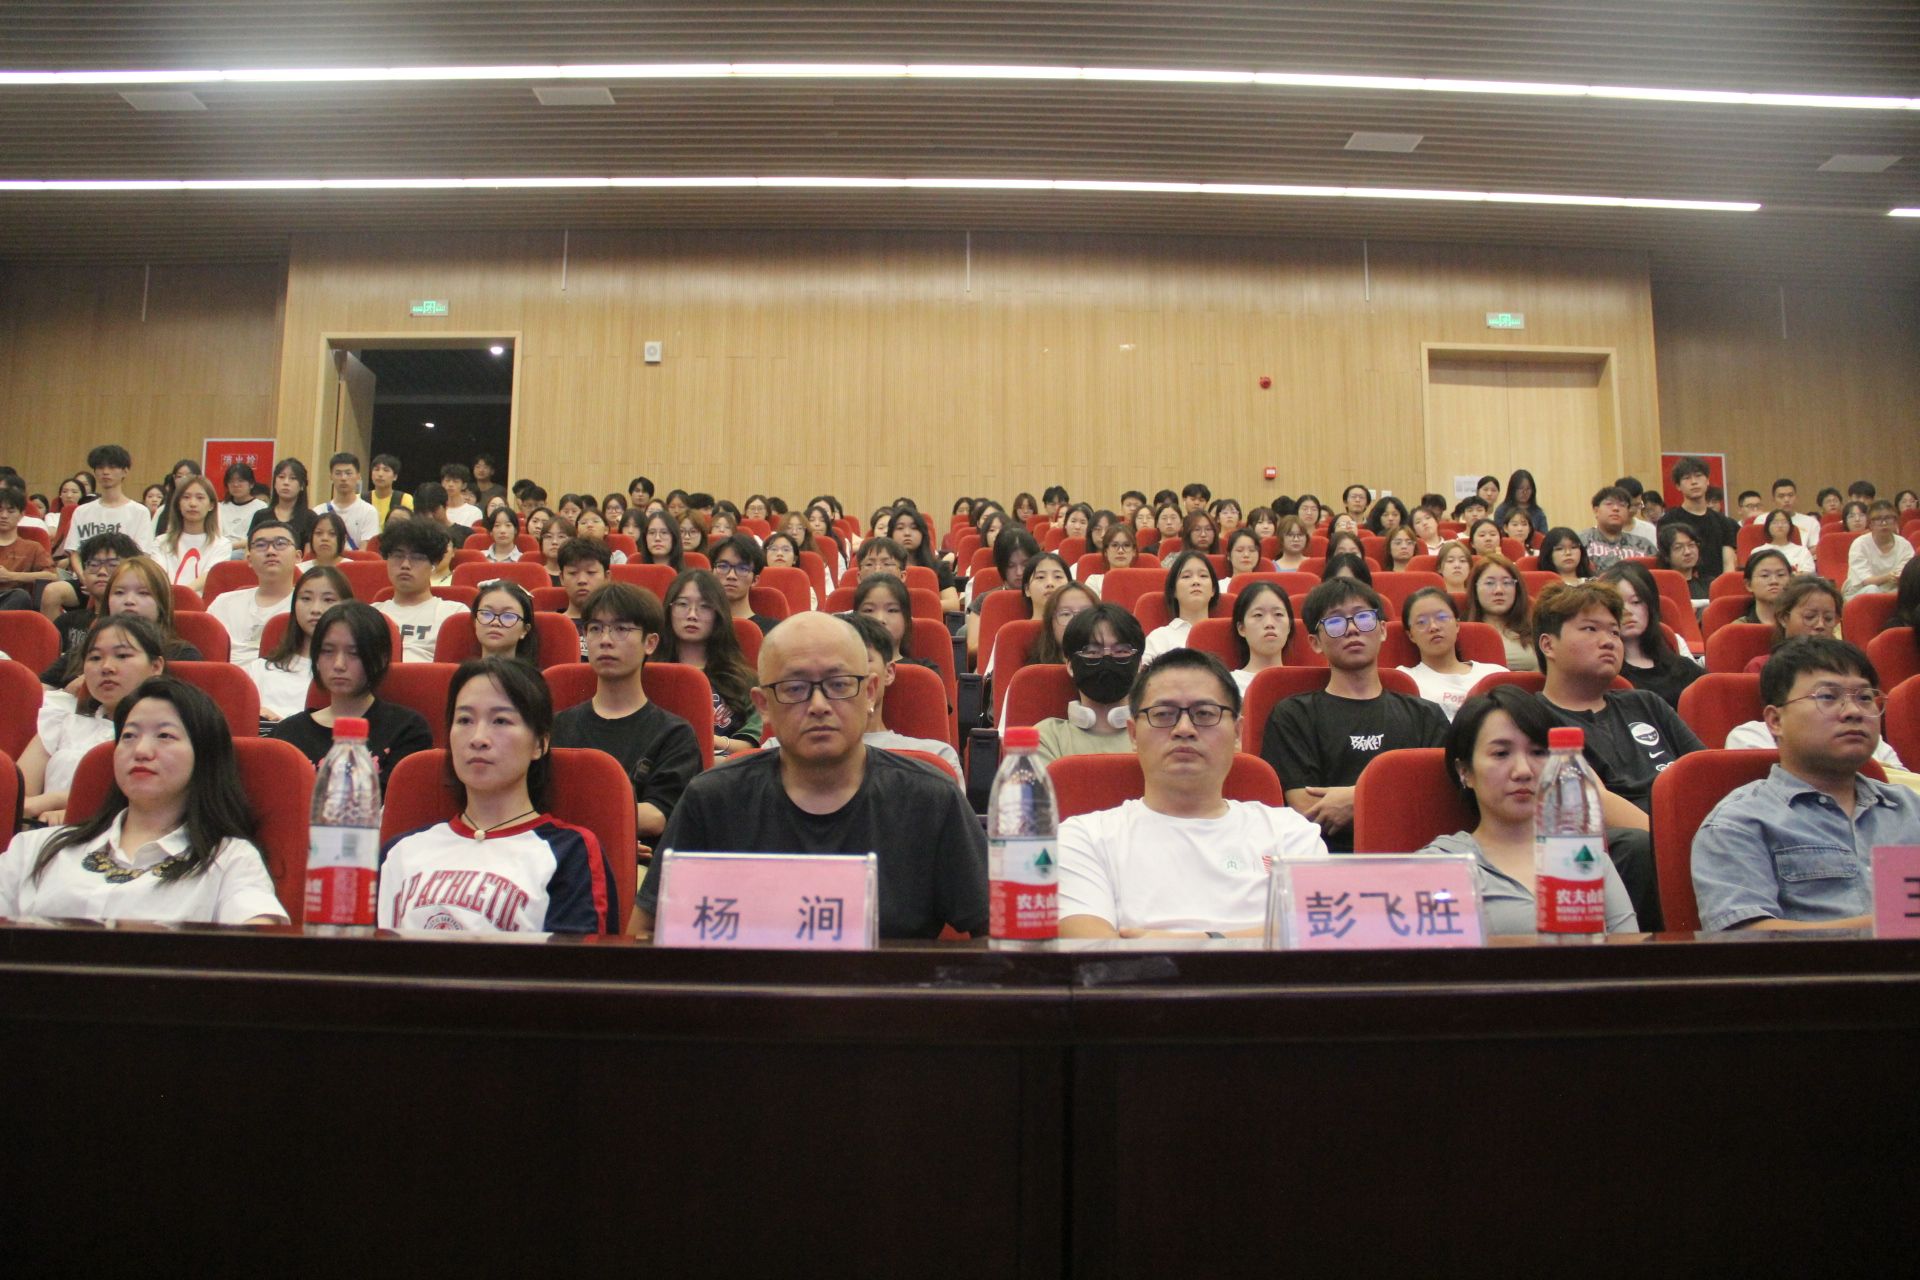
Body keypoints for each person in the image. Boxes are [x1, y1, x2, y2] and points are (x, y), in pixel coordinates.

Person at [636, 612, 988, 939]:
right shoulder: (713, 800)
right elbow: (646, 934)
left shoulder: (931, 800)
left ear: (869, 692)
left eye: (839, 684)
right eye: (794, 688)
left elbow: (999, 940)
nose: (819, 705)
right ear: (763, 705)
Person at [1058, 648, 1327, 938]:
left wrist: (1199, 941)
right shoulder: (1085, 838)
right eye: (1163, 714)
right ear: (1133, 734)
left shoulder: (1290, 833)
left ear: (1237, 733)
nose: (1184, 729)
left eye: (1205, 714)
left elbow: (1321, 935)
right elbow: (1095, 954)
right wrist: (1261, 936)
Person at [0, 676, 288, 924]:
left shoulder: (230, 860)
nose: (140, 750)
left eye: (164, 735)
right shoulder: (35, 849)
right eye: (128, 736)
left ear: (204, 755)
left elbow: (256, 950)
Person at [1691, 637, 1920, 931]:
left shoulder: (1909, 809)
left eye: (1864, 697)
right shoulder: (1742, 822)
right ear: (1775, 721)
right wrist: (1892, 926)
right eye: (1828, 697)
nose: (1853, 711)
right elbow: (1744, 939)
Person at [378, 657, 617, 934]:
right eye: (465, 720)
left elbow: (578, 960)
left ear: (540, 744)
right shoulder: (400, 852)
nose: (478, 738)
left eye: (500, 720)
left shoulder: (569, 852)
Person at [1530, 581, 1688, 927]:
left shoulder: (1645, 703)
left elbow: (1699, 774)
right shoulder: (1532, 718)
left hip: (1680, 829)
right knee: (1635, 846)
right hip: (1618, 842)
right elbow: (1590, 799)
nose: (1609, 641)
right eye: (1591, 629)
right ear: (1548, 645)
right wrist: (1679, 844)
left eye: (1614, 632)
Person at [1419, 686, 1639, 934]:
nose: (1523, 771)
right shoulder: (1440, 864)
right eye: (1501, 753)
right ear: (1465, 772)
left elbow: (1628, 948)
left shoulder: (1585, 854)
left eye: (1538, 752)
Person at [1262, 579, 1448, 852]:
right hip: (1327, 861)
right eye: (1335, 622)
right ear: (1315, 642)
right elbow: (1309, 810)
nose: (1352, 629)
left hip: (1416, 859)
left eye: (1363, 617)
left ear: (1382, 629)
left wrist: (1355, 798)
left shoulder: (1426, 715)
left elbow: (1438, 803)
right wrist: (1395, 799)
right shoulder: (1293, 715)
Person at [550, 582, 700, 852]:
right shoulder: (557, 725)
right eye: (595, 629)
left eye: (621, 629)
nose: (605, 640)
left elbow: (656, 817)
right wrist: (610, 827)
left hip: (636, 861)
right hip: (558, 854)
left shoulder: (674, 733)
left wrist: (575, 822)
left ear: (650, 643)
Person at [19, 615, 169, 826]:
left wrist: (63, 804)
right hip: (44, 832)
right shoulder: (61, 721)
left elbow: (153, 800)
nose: (106, 667)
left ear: (156, 667)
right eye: (95, 658)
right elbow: (18, 795)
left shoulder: (168, 734)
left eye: (122, 655)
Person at [268, 601, 431, 794]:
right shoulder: (287, 733)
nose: (339, 664)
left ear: (380, 658)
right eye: (327, 651)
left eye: (354, 653)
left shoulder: (406, 729)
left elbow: (392, 804)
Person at [43, 444, 156, 619]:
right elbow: (74, 552)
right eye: (100, 467)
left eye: (112, 467)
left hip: (122, 583)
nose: (105, 472)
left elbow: (142, 556)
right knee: (51, 593)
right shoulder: (82, 511)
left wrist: (113, 579)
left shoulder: (139, 512)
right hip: (86, 582)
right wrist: (85, 578)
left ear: (125, 471)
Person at [660, 568, 763, 757]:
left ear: (718, 614)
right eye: (682, 604)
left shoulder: (743, 680)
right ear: (669, 610)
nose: (692, 614)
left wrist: (709, 741)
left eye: (705, 606)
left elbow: (754, 744)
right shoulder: (650, 675)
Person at [1034, 604, 1145, 765]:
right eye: (1092, 652)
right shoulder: (1047, 737)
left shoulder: (1158, 733)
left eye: (1121, 651)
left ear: (1139, 664)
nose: (1107, 660)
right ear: (1070, 665)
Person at [244, 565, 348, 722]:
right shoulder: (260, 669)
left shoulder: (349, 673)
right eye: (306, 599)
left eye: (328, 600)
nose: (315, 609)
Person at [1597, 563, 1703, 710]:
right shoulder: (1600, 675)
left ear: (1651, 604)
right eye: (1618, 604)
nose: (1627, 611)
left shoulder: (1684, 670)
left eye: (1636, 602)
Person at [1398, 586, 1506, 721]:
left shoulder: (1494, 674)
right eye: (1421, 622)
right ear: (1410, 635)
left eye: (1442, 617)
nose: (1433, 627)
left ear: (1457, 625)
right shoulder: (1405, 679)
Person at [207, 520, 299, 665]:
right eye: (261, 545)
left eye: (280, 544)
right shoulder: (223, 603)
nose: (271, 551)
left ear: (297, 557)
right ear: (249, 559)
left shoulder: (308, 607)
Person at [374, 519, 464, 663]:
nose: (405, 565)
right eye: (398, 556)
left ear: (434, 563)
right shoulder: (371, 614)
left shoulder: (454, 613)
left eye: (417, 557)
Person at [1141, 550, 1218, 662]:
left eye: (1203, 575)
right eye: (1186, 576)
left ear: (1213, 590)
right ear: (1173, 590)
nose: (1196, 581)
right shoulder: (1159, 638)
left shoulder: (1224, 636)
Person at [1463, 554, 1533, 672]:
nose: (1499, 590)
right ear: (1475, 588)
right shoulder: (1460, 633)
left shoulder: (1535, 628)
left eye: (1506, 583)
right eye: (1490, 583)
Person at [889, 507, 961, 610]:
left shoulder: (939, 567)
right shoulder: (884, 568)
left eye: (914, 528)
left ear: (922, 534)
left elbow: (953, 604)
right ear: (890, 534)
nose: (907, 533)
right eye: (900, 528)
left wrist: (917, 606)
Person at [0, 485, 57, 612]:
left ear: (21, 515)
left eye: (10, 511)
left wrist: (11, 576)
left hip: (11, 599)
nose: (4, 516)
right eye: (0, 510)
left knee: (20, 596)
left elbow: (52, 575)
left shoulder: (32, 547)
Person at [1230, 581, 1292, 695]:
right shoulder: (1227, 685)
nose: (1269, 624)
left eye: (1278, 614)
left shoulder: (1303, 683)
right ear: (1241, 628)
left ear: (1289, 627)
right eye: (1258, 615)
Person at [1844, 500, 1913, 599]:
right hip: (1860, 592)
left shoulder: (1904, 545)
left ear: (1895, 522)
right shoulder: (1860, 544)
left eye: (1888, 518)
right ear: (1870, 523)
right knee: (1872, 589)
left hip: (1892, 591)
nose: (1884, 523)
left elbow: (1905, 576)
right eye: (1878, 519)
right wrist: (1888, 577)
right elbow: (1866, 581)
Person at [311, 452, 379, 550]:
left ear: (358, 476)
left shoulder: (368, 511)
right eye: (338, 473)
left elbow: (365, 552)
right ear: (331, 477)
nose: (343, 478)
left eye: (348, 473)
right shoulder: (318, 512)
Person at [555, 537, 610, 657]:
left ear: (607, 577)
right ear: (562, 578)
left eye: (591, 573)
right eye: (573, 573)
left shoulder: (622, 626)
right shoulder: (551, 625)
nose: (582, 580)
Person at [1582, 486, 1655, 571]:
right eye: (1609, 504)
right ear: (1596, 510)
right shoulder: (1581, 541)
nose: (1616, 508)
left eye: (1622, 505)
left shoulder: (1644, 545)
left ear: (1628, 512)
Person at [251, 458, 316, 552]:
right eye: (281, 477)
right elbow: (250, 550)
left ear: (302, 485)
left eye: (293, 478)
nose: (286, 482)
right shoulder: (260, 516)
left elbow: (308, 556)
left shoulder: (310, 518)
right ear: (274, 483)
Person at [467, 579, 539, 664]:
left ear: (525, 629)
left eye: (508, 616)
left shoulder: (532, 673)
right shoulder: (462, 672)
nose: (495, 623)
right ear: (475, 622)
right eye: (486, 613)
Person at [1655, 523, 1712, 604]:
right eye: (1678, 548)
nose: (1687, 552)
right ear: (1666, 555)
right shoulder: (1660, 590)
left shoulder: (1710, 585)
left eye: (1691, 545)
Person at [1082, 523, 1139, 598]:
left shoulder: (1142, 581)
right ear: (1106, 551)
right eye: (1114, 545)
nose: (1120, 551)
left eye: (1126, 545)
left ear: (1134, 551)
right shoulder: (1094, 581)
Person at [1739, 548, 1794, 625]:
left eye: (1780, 575)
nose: (1774, 581)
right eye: (1765, 575)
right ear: (1748, 585)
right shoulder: (1739, 628)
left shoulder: (1803, 625)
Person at [216, 461, 268, 541]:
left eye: (240, 481)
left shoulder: (261, 507)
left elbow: (260, 537)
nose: (235, 485)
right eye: (231, 481)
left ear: (251, 484)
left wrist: (232, 546)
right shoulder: (220, 507)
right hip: (221, 547)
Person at [1494, 469, 1548, 536]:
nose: (1524, 492)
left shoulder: (1538, 513)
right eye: (1520, 488)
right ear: (1512, 489)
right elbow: (1498, 535)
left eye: (1528, 489)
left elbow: (1544, 537)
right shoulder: (1502, 510)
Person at [367, 453, 411, 524]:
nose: (380, 474)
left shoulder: (405, 499)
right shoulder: (360, 498)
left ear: (395, 476)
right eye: (376, 469)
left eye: (386, 470)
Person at [438, 464, 484, 530]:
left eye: (455, 481)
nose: (450, 484)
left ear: (464, 485)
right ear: (442, 483)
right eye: (447, 480)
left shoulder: (474, 512)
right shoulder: (437, 511)